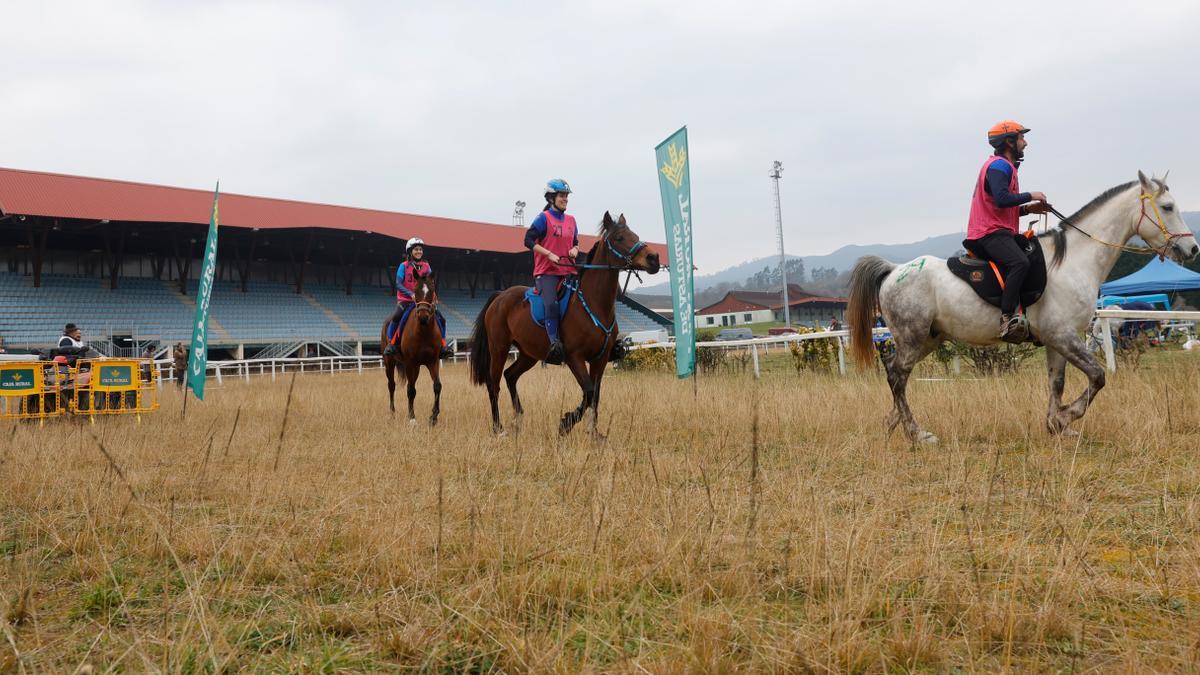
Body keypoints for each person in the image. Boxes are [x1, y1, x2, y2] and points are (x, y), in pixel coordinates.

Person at [963, 120, 1051, 343]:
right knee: (1020, 262)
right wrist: (1031, 195)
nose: (1026, 143)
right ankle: (1007, 319)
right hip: (988, 233)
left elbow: (1002, 207)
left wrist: (1027, 209)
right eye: (1022, 138)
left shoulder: (1005, 167)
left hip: (998, 230)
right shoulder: (999, 166)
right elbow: (1002, 200)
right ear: (1009, 142)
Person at [524, 178, 580, 365]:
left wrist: (575, 250)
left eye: (566, 196)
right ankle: (554, 344)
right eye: (562, 196)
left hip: (568, 272)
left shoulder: (572, 220)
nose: (565, 199)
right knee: (552, 305)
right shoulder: (543, 218)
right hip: (546, 272)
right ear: (551, 198)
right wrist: (548, 254)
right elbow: (528, 241)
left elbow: (575, 242)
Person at [384, 238, 453, 359]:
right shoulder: (403, 266)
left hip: (423, 301)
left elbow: (431, 282)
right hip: (406, 300)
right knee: (396, 316)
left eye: (420, 249)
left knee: (441, 318)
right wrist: (410, 294)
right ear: (410, 251)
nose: (419, 251)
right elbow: (398, 284)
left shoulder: (426, 266)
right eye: (416, 249)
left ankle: (443, 345)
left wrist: (433, 294)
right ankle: (391, 344)